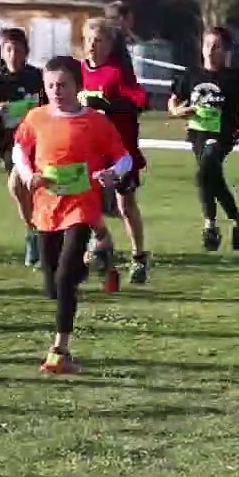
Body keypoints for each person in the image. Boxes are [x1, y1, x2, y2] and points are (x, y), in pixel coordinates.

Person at [12, 55, 133, 374]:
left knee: (65, 278)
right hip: (46, 208)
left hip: (82, 207)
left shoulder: (94, 121)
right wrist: (27, 175)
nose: (56, 91)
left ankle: (59, 351)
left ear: (78, 87)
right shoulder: (36, 117)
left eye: (63, 85)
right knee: (53, 285)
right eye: (50, 85)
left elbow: (125, 158)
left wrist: (112, 173)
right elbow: (19, 150)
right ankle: (100, 251)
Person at [168, 27, 239, 252]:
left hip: (224, 134)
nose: (210, 51)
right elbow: (174, 101)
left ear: (225, 50)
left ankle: (210, 225)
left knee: (206, 167)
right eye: (207, 45)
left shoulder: (233, 78)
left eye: (216, 46)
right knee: (210, 176)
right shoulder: (191, 74)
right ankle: (237, 217)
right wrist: (178, 111)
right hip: (198, 132)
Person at [80, 18, 149, 286]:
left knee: (125, 204)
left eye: (98, 41)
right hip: (89, 153)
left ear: (110, 44)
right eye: (88, 41)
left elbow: (141, 100)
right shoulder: (79, 73)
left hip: (120, 151)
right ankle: (95, 253)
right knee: (85, 202)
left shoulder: (117, 72)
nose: (92, 47)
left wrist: (110, 104)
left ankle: (139, 256)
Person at [0, 27, 45, 265]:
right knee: (18, 186)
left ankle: (45, 235)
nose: (13, 54)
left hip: (42, 143)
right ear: (2, 53)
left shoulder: (38, 77)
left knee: (36, 189)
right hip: (10, 147)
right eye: (8, 49)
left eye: (18, 49)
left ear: (26, 52)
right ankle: (34, 233)